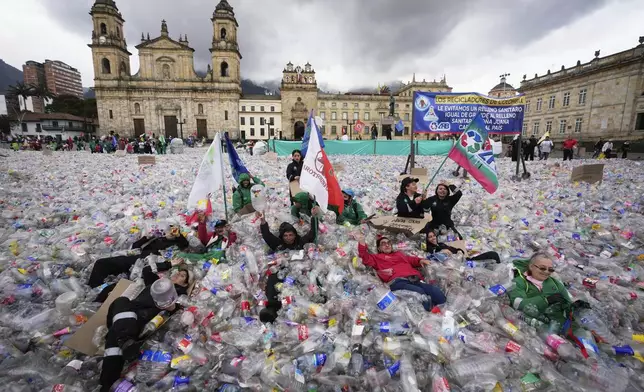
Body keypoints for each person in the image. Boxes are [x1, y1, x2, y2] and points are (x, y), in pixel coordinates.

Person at [99, 262, 193, 391]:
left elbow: (177, 314)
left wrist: (173, 306)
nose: (177, 275)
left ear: (185, 284)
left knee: (116, 340)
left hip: (140, 322)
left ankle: (107, 383)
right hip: (126, 315)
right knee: (121, 302)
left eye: (182, 276)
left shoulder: (179, 294)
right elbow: (147, 269)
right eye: (178, 272)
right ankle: (124, 343)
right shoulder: (155, 284)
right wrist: (169, 263)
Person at [358, 234, 446, 311]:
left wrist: (420, 260)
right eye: (383, 244)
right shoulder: (376, 258)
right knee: (420, 294)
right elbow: (365, 258)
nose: (387, 245)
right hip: (398, 282)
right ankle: (428, 319)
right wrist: (361, 241)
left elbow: (410, 260)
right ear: (379, 248)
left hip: (415, 279)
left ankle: (446, 315)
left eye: (388, 243)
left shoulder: (399, 254)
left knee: (436, 292)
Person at [257, 212, 319, 322]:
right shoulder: (278, 244)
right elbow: (267, 235)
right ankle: (272, 307)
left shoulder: (300, 243)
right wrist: (263, 221)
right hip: (282, 271)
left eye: (291, 235)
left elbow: (312, 234)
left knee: (313, 279)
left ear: (295, 235)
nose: (288, 238)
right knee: (272, 278)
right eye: (285, 235)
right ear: (282, 236)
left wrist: (314, 217)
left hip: (299, 271)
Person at [87, 224, 190, 288]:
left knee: (104, 267)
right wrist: (146, 237)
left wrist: (178, 235)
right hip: (135, 257)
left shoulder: (176, 244)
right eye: (169, 230)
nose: (170, 232)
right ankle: (94, 288)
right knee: (102, 263)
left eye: (173, 231)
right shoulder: (157, 237)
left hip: (145, 264)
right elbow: (135, 247)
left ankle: (95, 290)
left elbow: (186, 245)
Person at [507, 253, 575, 324]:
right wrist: (545, 300)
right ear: (531, 267)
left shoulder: (556, 284)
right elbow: (517, 304)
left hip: (557, 324)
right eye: (542, 268)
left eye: (550, 270)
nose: (546, 272)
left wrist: (575, 307)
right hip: (532, 325)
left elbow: (568, 304)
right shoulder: (519, 282)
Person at [425, 231, 500, 263]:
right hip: (463, 264)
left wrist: (459, 251)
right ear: (427, 240)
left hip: (466, 259)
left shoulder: (441, 244)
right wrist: (442, 252)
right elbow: (433, 254)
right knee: (493, 255)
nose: (433, 238)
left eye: (434, 235)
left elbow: (457, 249)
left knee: (493, 254)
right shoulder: (433, 249)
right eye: (430, 237)